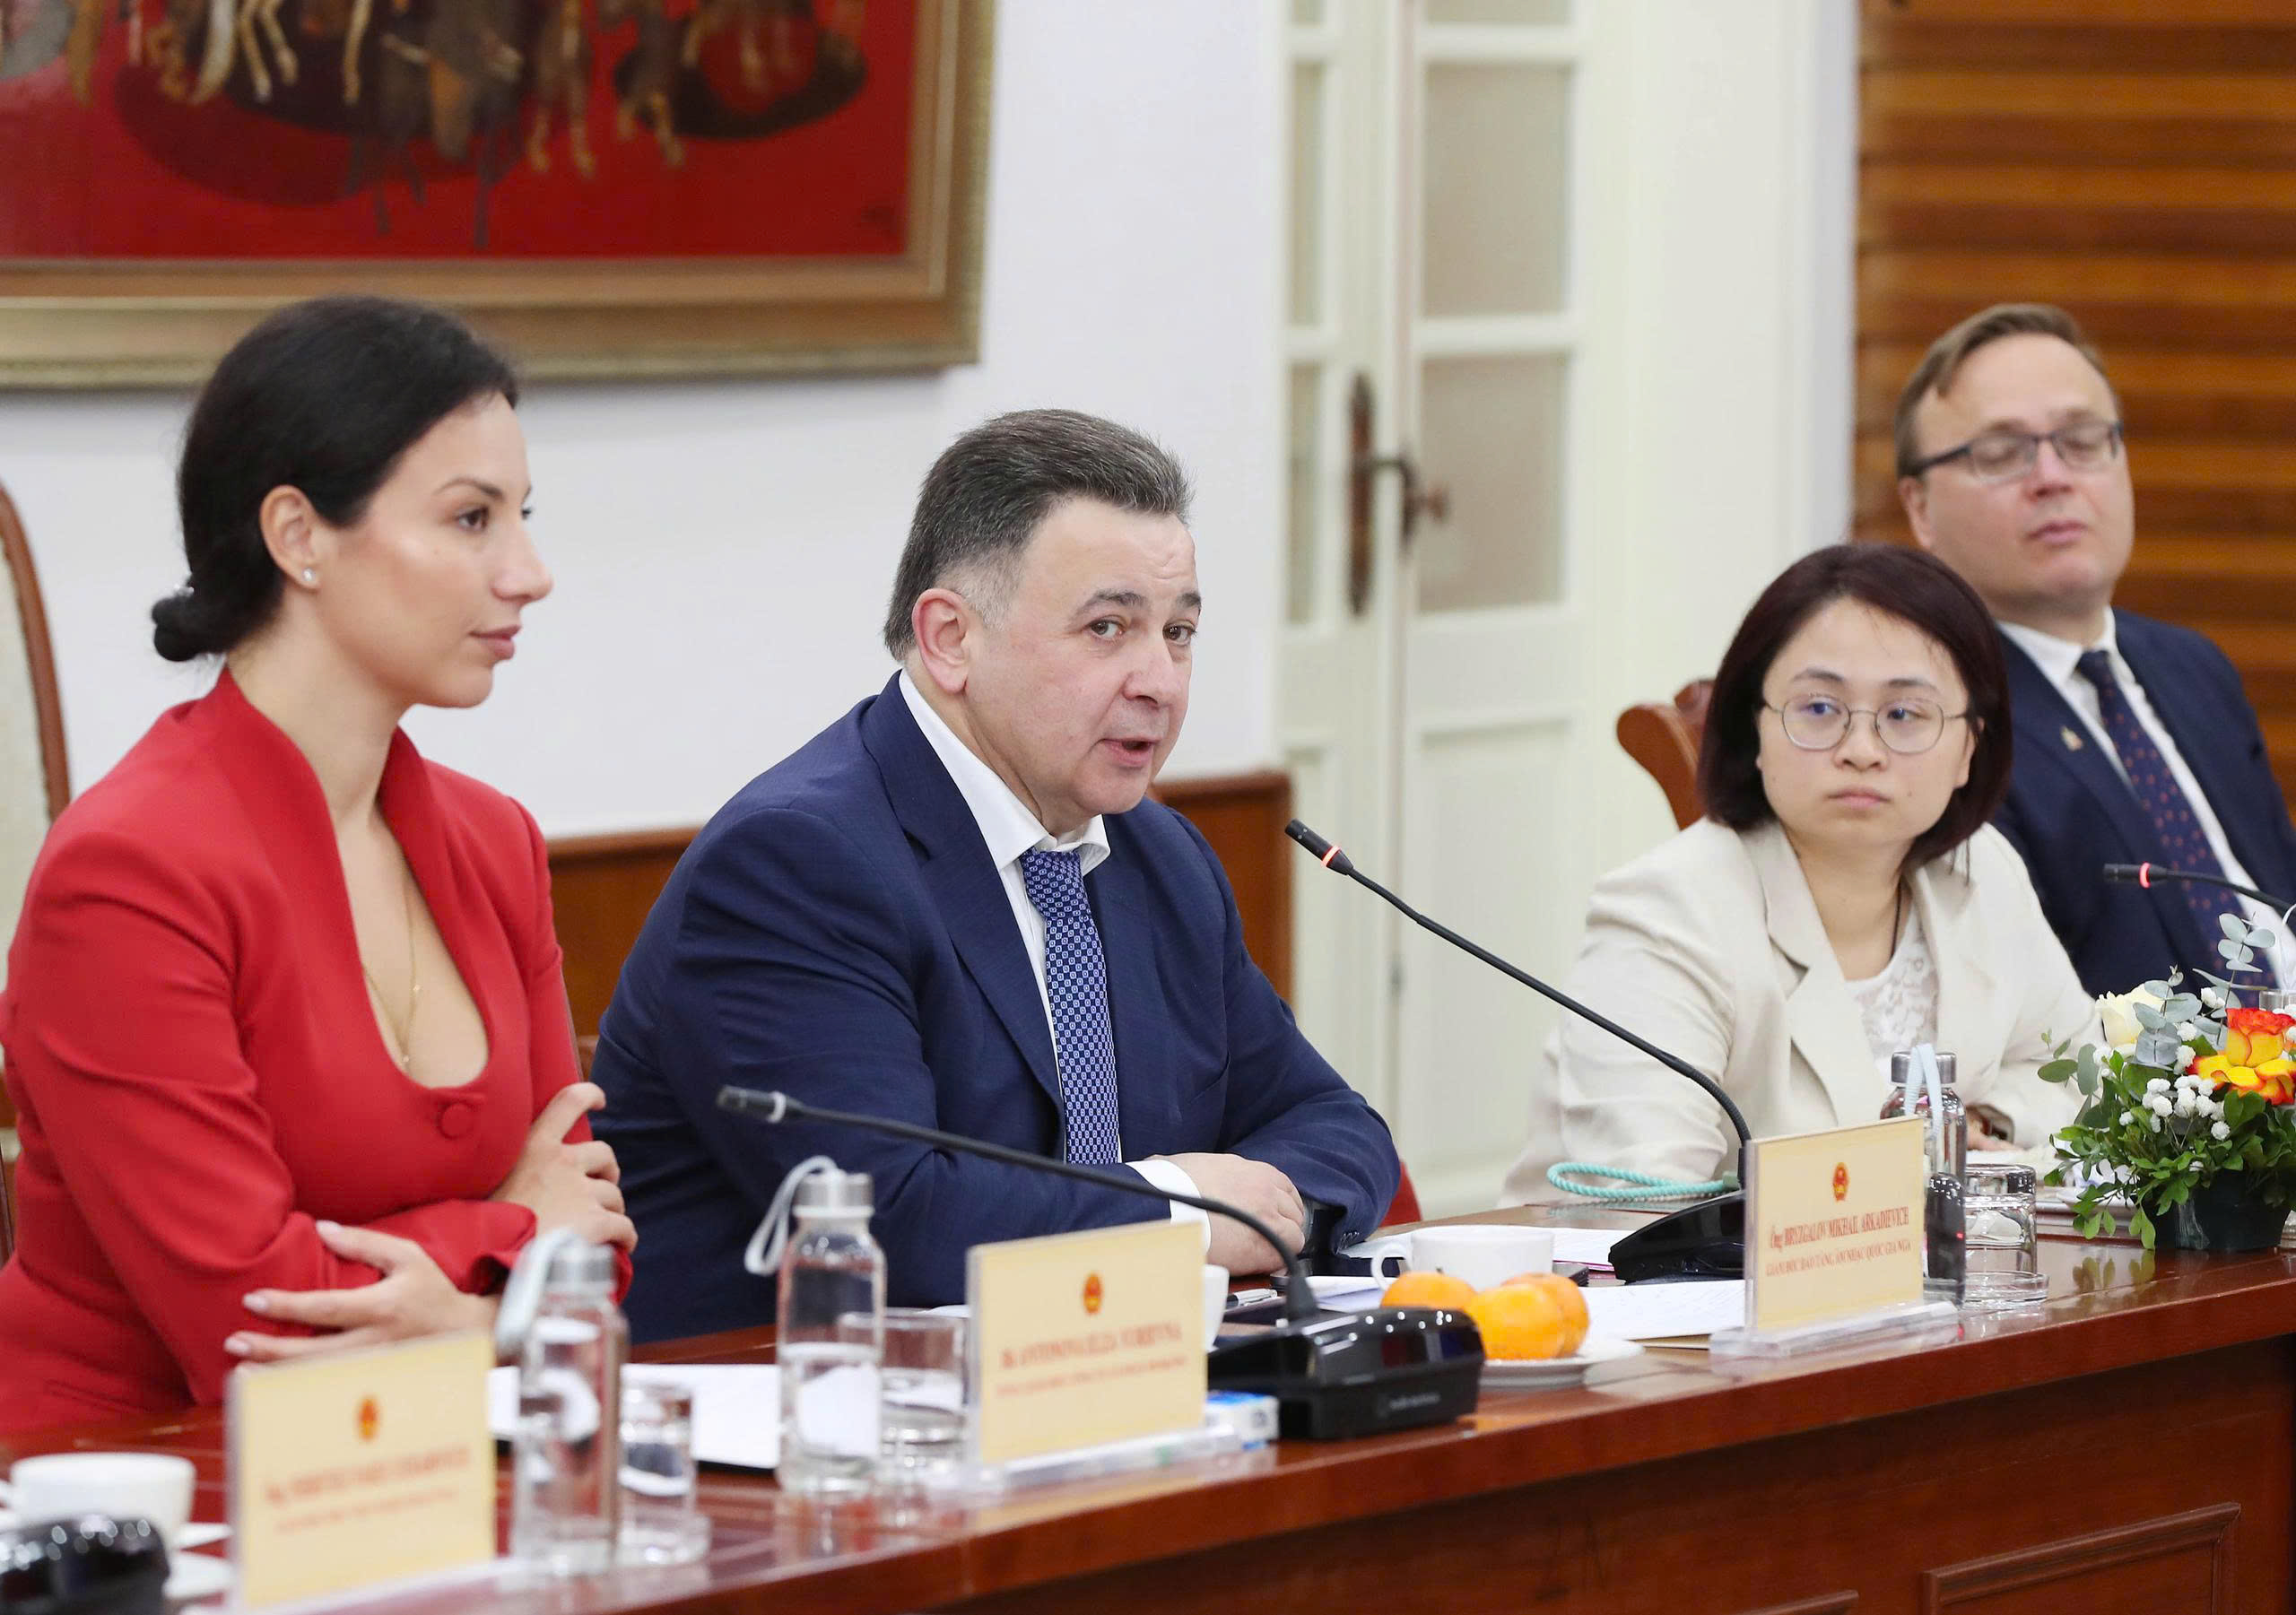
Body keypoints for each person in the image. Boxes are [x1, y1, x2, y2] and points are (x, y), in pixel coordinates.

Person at [592, 409, 1399, 1340]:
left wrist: (1253, 1212)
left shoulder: (1158, 855)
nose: (1162, 682)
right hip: (794, 1402)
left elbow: (1336, 1127)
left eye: (1178, 632)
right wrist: (1181, 1208)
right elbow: (890, 1220)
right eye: (1107, 627)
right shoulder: (797, 863)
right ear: (950, 638)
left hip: (1106, 1374)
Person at [0, 297, 631, 1431]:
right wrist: (506, 1244)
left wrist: (483, 1298)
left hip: (427, 1458)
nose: (529, 572)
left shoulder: (493, 839)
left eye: (520, 516)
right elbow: (254, 1329)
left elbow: (595, 1243)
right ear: (298, 537)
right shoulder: (128, 871)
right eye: (472, 518)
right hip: (140, 1479)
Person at [1502, 545, 2092, 1198]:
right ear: (1754, 729)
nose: (1862, 751)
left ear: (1968, 749)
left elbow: (2079, 1077)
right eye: (1818, 709)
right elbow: (1646, 1203)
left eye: (1904, 714)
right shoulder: (1666, 912)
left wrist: (1979, 1122)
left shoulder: (1980, 870)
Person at [1896, 302, 2296, 996]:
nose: (2053, 476)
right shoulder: (1935, 721)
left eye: (2082, 440)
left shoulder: (2194, 666)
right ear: (1921, 508)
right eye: (2002, 452)